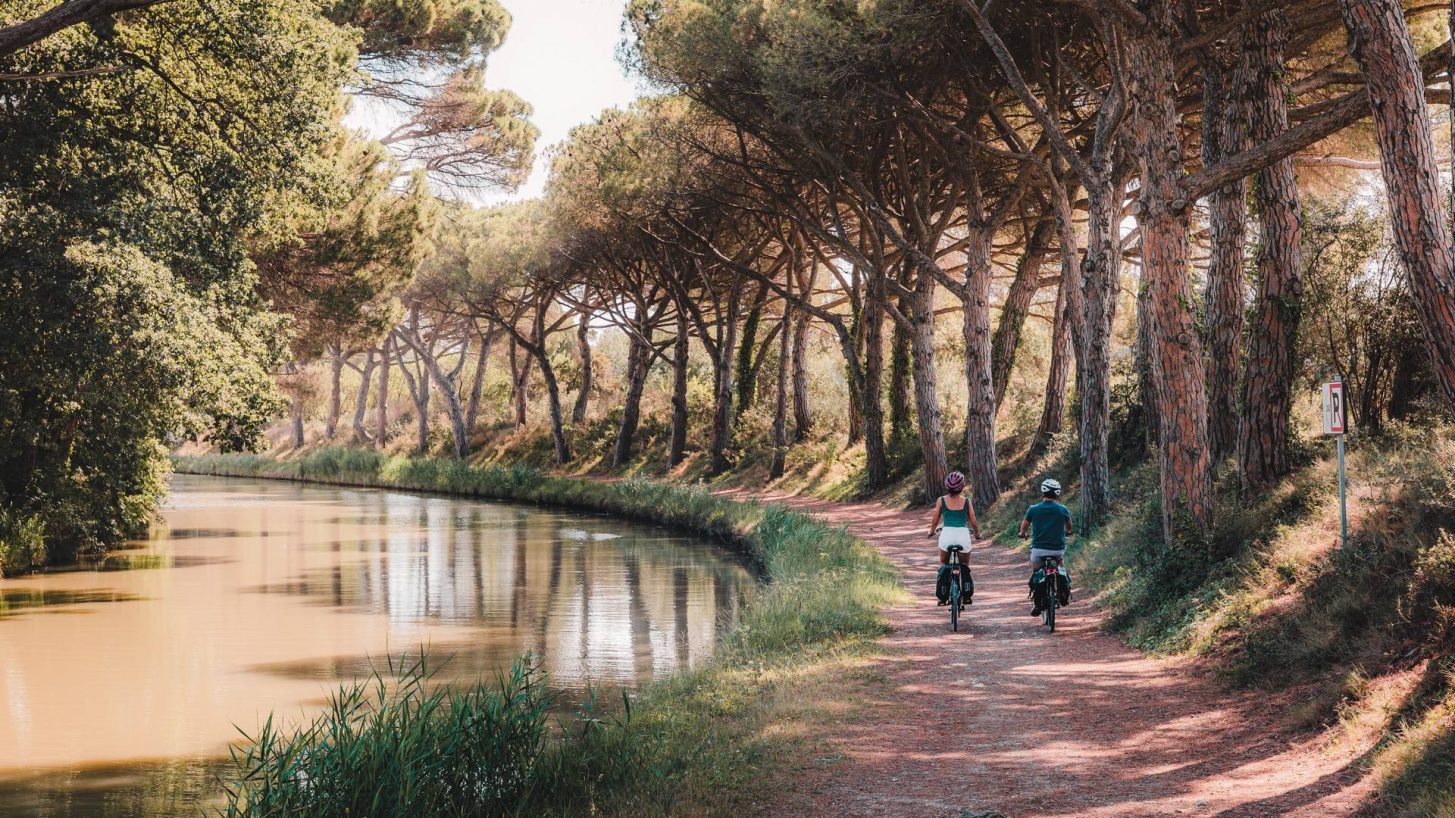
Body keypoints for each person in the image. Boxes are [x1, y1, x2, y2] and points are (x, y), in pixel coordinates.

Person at [1019, 477, 1073, 615]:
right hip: (1057, 549)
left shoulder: (1033, 509)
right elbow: (1069, 526)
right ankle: (1062, 591)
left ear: (1043, 492)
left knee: (1037, 572)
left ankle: (1038, 602)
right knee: (1060, 564)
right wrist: (1067, 532)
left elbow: (1024, 526)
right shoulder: (1063, 509)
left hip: (1039, 550)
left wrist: (1023, 534)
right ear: (1057, 493)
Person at [927, 471, 980, 605]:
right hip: (963, 535)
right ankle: (967, 596)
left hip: (947, 535)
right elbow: (973, 520)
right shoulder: (966, 501)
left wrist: (931, 531)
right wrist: (977, 534)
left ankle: (943, 597)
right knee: (964, 565)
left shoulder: (941, 500)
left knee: (944, 563)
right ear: (962, 486)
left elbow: (935, 519)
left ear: (947, 486)